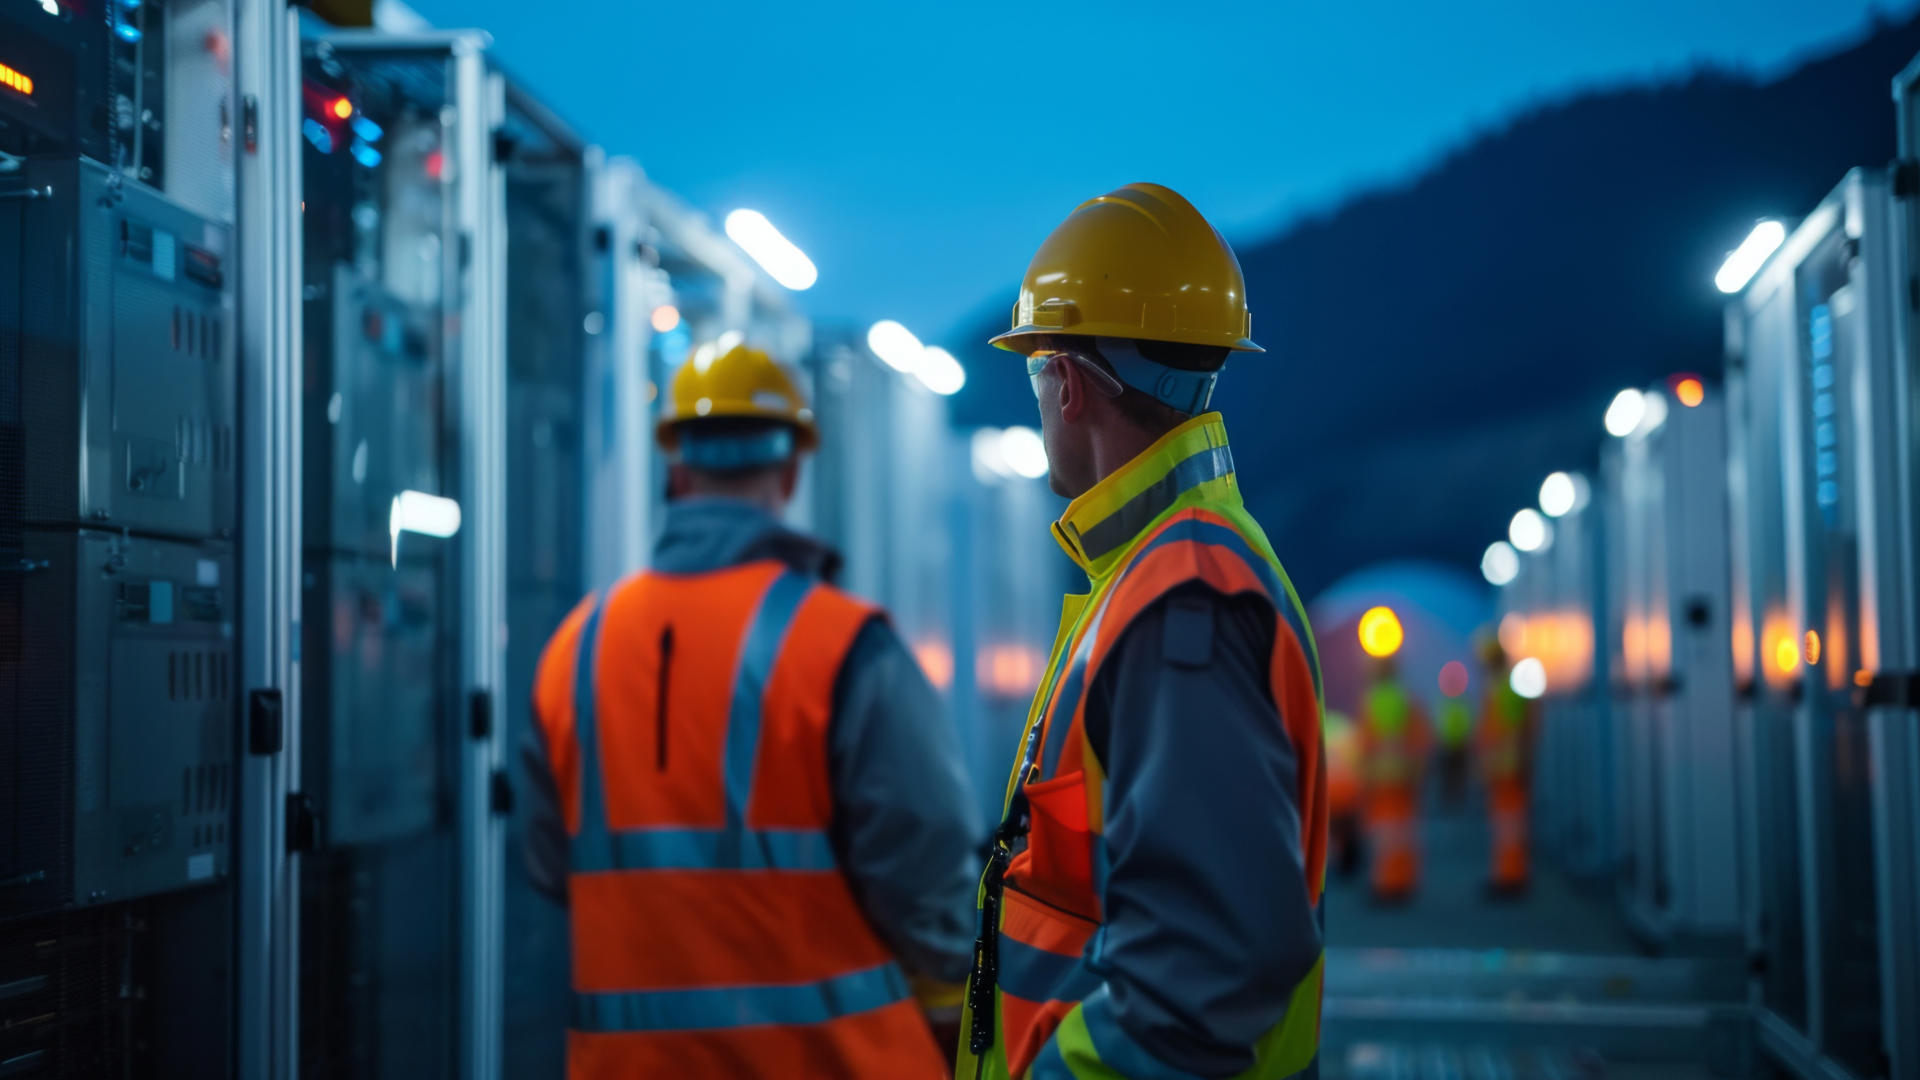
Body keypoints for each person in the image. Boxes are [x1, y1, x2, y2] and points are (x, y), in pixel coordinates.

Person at [520, 340, 981, 1078]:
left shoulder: (575, 648)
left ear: (675, 468)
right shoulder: (841, 644)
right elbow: (926, 871)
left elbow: (549, 863)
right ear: (793, 469)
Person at [958, 184, 1328, 1080]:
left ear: (1071, 384)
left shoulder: (1179, 599)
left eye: (1037, 369)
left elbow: (1204, 973)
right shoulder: (1174, 566)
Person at [1358, 656, 1431, 902]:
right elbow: (1421, 738)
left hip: (1381, 779)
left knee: (1383, 833)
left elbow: (1365, 744)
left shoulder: (1372, 701)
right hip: (1404, 776)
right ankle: (1403, 880)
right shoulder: (1406, 698)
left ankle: (1386, 882)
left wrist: (1363, 776)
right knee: (1403, 830)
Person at [1476, 635, 1536, 895]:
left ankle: (1511, 877)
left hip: (1508, 770)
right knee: (1505, 826)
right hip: (1503, 768)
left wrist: (1518, 762)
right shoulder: (1501, 687)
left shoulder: (1504, 689)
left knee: (1509, 826)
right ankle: (1505, 873)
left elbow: (1515, 732)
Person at [1324, 709, 1366, 878]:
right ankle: (1348, 863)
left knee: (1332, 830)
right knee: (1348, 830)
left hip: (1329, 791)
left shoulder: (1323, 729)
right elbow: (1359, 761)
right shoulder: (1349, 731)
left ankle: (1334, 861)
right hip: (1349, 789)